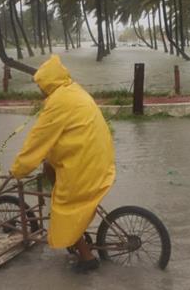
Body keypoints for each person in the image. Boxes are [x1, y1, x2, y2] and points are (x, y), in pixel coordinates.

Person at [9, 55, 116, 272]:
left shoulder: (58, 102)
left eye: (41, 86)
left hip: (85, 165)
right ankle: (78, 230)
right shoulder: (74, 90)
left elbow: (37, 140)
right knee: (49, 166)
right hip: (99, 159)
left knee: (64, 209)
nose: (40, 90)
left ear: (48, 83)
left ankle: (87, 258)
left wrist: (18, 170)